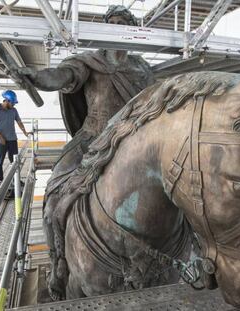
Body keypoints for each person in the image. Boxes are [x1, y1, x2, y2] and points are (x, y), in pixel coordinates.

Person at [17, 5, 155, 300]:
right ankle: (58, 263)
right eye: (112, 22)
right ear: (104, 28)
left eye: (123, 22)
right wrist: (39, 77)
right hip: (92, 138)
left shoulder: (141, 67)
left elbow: (155, 99)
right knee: (54, 194)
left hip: (135, 139)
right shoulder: (89, 62)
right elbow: (62, 76)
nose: (117, 27)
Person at [0, 90, 31, 183]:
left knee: (15, 162)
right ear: (6, 101)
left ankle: (15, 180)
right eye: (12, 103)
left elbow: (19, 122)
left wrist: (25, 132)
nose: (14, 105)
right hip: (0, 142)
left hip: (12, 140)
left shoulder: (14, 110)